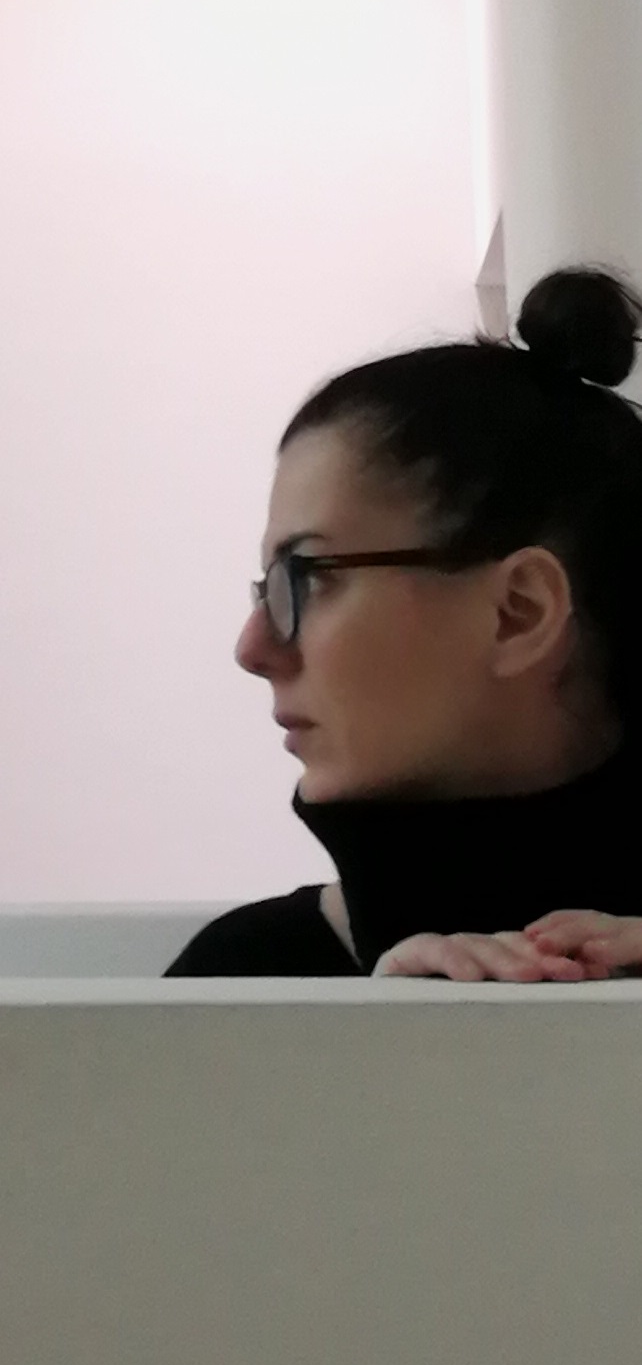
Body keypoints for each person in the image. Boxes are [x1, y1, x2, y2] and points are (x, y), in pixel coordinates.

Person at [169, 264, 642, 979]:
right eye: (265, 590)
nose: (253, 647)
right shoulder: (240, 981)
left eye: (303, 577)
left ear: (519, 613)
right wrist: (381, 1040)